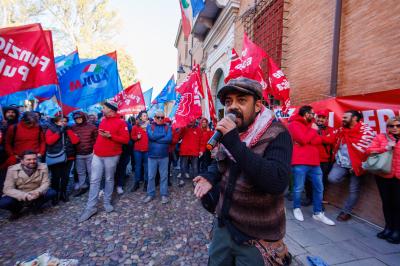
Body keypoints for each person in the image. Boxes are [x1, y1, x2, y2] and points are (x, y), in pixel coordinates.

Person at [194, 77, 293, 265]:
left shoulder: (277, 133)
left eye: (241, 100)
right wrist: (209, 177)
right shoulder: (233, 131)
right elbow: (221, 162)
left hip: (256, 239)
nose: (233, 107)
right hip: (224, 226)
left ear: (257, 105)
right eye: (229, 101)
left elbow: (277, 181)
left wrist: (234, 144)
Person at [78, 100, 130, 222]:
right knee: (94, 180)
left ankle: (107, 203)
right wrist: (95, 148)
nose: (102, 109)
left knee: (109, 179)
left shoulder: (121, 122)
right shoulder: (103, 120)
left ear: (111, 110)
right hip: (97, 154)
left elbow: (126, 140)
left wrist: (111, 136)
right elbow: (100, 137)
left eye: (104, 107)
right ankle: (91, 208)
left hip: (112, 156)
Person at [288, 106, 335, 225]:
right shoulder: (294, 124)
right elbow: (303, 139)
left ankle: (318, 213)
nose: (314, 116)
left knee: (319, 188)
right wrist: (312, 132)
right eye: (312, 114)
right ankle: (296, 208)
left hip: (315, 161)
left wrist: (309, 137)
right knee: (298, 187)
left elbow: (318, 141)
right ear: (306, 114)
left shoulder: (311, 125)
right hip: (300, 160)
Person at [328, 110, 375, 221]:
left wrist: (358, 166)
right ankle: (345, 175)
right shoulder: (342, 129)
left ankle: (346, 212)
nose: (343, 119)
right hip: (342, 163)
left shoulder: (366, 132)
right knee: (332, 178)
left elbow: (369, 152)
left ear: (354, 118)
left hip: (357, 166)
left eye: (345, 117)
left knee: (354, 190)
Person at [366, 116, 400, 244]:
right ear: (388, 127)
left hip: (398, 178)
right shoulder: (381, 137)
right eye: (392, 126)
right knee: (386, 203)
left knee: (398, 204)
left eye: (398, 125)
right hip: (384, 176)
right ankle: (388, 227)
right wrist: (385, 148)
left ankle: (397, 231)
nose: (395, 128)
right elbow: (369, 150)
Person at [0, 151, 56, 220]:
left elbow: (46, 183)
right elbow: (7, 189)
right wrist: (25, 195)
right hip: (19, 195)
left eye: (34, 159)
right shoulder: (12, 169)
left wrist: (38, 192)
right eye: (28, 159)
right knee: (3, 202)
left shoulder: (43, 166)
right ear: (22, 161)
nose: (32, 161)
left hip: (36, 193)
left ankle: (36, 206)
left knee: (51, 192)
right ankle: (16, 211)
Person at [45, 114, 79, 203]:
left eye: (65, 121)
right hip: (56, 156)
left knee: (65, 176)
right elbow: (49, 141)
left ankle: (63, 193)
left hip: (68, 156)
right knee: (56, 177)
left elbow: (75, 141)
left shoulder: (69, 129)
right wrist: (59, 132)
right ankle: (55, 194)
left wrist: (68, 132)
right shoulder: (51, 129)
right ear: (56, 122)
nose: (63, 123)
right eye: (61, 121)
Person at [143, 110, 172, 204]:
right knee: (151, 176)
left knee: (164, 176)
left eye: (162, 117)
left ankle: (164, 194)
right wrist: (163, 135)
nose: (160, 119)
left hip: (164, 156)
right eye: (158, 117)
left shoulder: (168, 127)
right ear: (154, 117)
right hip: (152, 156)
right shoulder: (149, 126)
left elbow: (169, 139)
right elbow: (151, 137)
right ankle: (150, 194)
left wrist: (156, 138)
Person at [71, 111, 98, 197]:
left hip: (90, 153)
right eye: (76, 119)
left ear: (83, 118)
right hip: (79, 153)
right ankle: (83, 186)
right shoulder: (73, 127)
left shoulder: (92, 127)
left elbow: (96, 139)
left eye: (79, 118)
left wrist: (94, 149)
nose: (78, 120)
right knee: (80, 172)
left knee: (91, 171)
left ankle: (93, 187)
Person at [315, 110, 336, 201]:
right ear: (316, 117)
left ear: (326, 119)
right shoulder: (311, 127)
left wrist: (318, 138)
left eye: (323, 118)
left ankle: (319, 200)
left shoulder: (330, 129)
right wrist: (324, 138)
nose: (320, 119)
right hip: (311, 159)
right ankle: (309, 198)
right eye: (319, 117)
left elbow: (331, 140)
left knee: (321, 181)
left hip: (324, 160)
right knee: (308, 180)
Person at [0, 105, 20, 195]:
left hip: (15, 152)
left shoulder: (18, 125)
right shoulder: (1, 124)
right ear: (4, 114)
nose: (11, 114)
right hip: (2, 154)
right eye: (8, 112)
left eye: (13, 112)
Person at [177, 119, 202, 187]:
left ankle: (195, 181)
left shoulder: (199, 129)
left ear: (194, 121)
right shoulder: (184, 128)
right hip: (185, 151)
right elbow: (179, 136)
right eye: (189, 120)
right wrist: (183, 127)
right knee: (183, 166)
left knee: (195, 167)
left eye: (192, 120)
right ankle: (182, 180)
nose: (191, 121)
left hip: (195, 151)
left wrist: (201, 150)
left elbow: (201, 141)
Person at [131, 111, 149, 192]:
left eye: (146, 115)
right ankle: (137, 182)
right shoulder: (135, 127)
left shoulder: (150, 126)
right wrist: (136, 137)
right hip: (137, 150)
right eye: (144, 115)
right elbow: (132, 137)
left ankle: (146, 182)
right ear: (141, 117)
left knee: (147, 167)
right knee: (137, 166)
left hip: (147, 150)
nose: (146, 117)